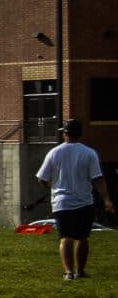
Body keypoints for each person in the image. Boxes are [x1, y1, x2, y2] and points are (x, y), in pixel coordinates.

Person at [40, 120, 110, 280]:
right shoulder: (89, 153)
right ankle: (80, 271)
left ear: (65, 133)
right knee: (82, 237)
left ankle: (68, 272)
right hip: (84, 202)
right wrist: (107, 200)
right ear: (80, 134)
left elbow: (41, 177)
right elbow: (98, 179)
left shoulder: (54, 152)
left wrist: (52, 187)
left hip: (61, 202)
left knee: (65, 238)